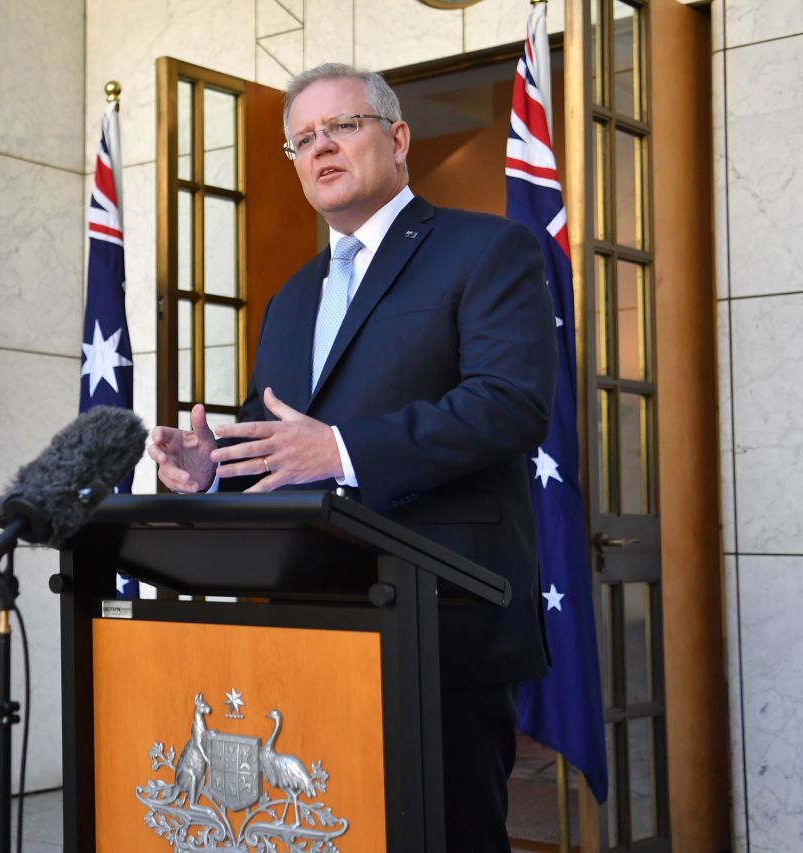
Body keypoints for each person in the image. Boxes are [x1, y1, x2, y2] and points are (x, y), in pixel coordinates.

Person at [148, 63, 556, 851]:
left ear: (397, 138)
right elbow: (273, 443)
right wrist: (209, 467)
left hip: (444, 613)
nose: (320, 148)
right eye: (302, 139)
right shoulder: (292, 295)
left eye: (341, 127)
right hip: (311, 618)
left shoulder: (486, 249)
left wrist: (339, 447)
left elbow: (510, 404)